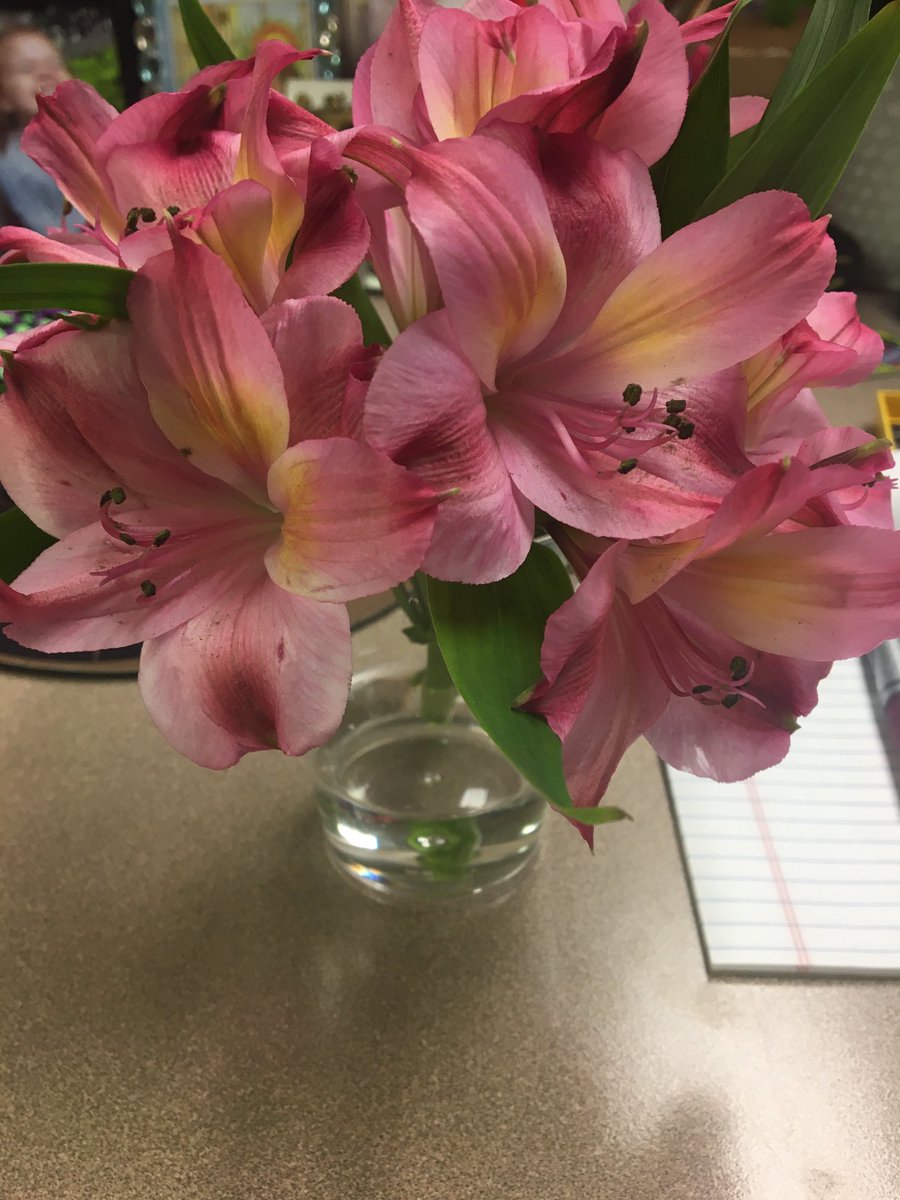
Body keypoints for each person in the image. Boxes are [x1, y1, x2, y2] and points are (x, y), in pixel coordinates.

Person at [0, 25, 74, 233]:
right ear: (3, 97)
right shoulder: (10, 162)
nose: (46, 73)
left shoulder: (90, 141)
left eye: (55, 64)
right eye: (26, 68)